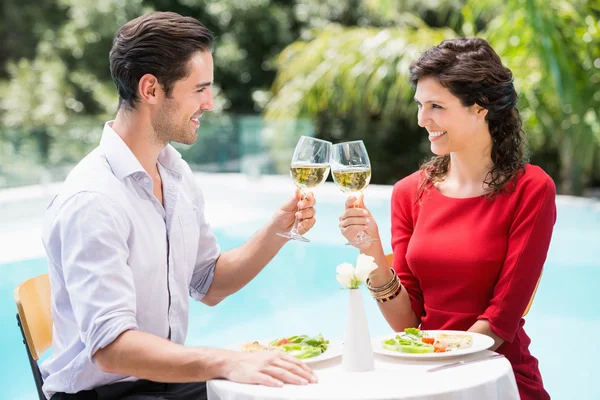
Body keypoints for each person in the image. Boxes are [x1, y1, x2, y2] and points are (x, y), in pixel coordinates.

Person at [41, 11, 319, 400]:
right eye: (200, 88)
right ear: (151, 89)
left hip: (161, 385)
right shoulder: (94, 200)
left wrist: (279, 228)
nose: (210, 102)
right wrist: (225, 361)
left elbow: (209, 283)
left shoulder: (174, 174)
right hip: (108, 395)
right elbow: (111, 349)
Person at [338, 38, 554, 399]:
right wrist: (371, 249)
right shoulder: (409, 192)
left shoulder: (532, 189)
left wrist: (441, 371)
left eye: (436, 106)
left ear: (480, 107)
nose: (423, 120)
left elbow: (501, 320)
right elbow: (407, 324)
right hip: (425, 372)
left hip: (494, 376)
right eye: (420, 105)